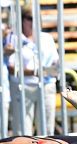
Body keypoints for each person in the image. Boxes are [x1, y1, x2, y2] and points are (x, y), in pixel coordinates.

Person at [6, 4, 60, 135]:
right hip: (22, 87)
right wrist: (37, 72)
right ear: (22, 19)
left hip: (46, 86)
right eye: (30, 18)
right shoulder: (13, 38)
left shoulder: (46, 38)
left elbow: (56, 64)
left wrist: (42, 71)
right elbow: (12, 68)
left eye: (36, 18)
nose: (33, 22)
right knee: (22, 131)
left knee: (47, 129)